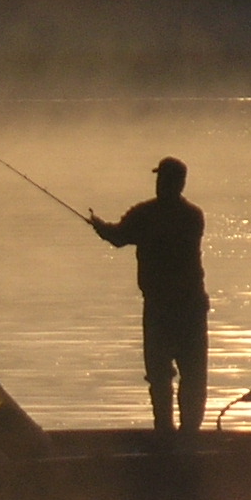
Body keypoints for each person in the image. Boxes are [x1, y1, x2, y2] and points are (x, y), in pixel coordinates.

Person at [86, 157, 209, 434]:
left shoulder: (146, 215)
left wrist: (98, 225)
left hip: (163, 309)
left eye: (163, 179)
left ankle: (166, 434)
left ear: (174, 182)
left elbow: (117, 237)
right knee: (192, 375)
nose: (159, 184)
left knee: (161, 374)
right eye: (159, 178)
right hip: (189, 307)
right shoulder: (193, 215)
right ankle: (188, 435)